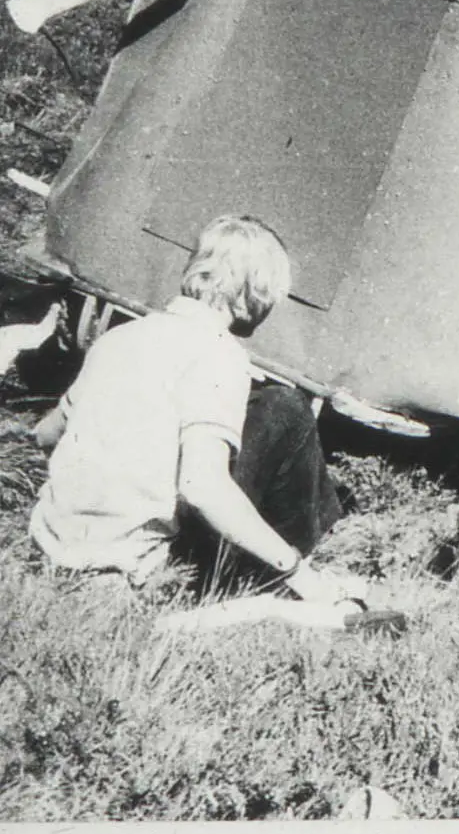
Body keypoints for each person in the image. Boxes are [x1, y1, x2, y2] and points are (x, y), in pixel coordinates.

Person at [30, 214, 351, 605]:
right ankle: (289, 570)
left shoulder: (119, 338)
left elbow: (46, 434)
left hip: (51, 548)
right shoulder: (220, 355)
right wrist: (295, 570)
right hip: (131, 571)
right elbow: (201, 487)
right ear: (254, 294)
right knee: (286, 408)